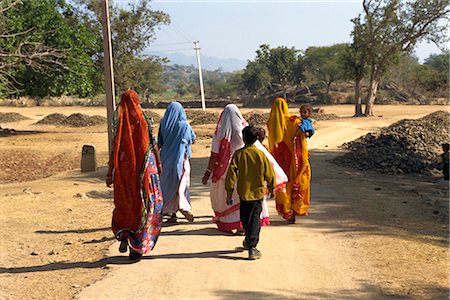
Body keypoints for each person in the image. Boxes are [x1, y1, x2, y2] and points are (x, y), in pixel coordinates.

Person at [106, 89, 163, 261]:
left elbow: (114, 148)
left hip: (124, 171)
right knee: (143, 204)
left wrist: (110, 172)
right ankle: (136, 248)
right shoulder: (144, 120)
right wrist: (158, 164)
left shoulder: (120, 122)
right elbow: (152, 143)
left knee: (126, 204)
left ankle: (125, 235)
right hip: (144, 170)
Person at [225, 125, 275, 260]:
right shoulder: (260, 154)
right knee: (254, 219)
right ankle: (252, 246)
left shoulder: (239, 154)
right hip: (257, 193)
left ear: (243, 138)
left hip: (244, 193)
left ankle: (249, 242)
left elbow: (231, 175)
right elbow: (269, 173)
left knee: (245, 219)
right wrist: (271, 187)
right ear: (257, 139)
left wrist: (229, 192)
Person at [202, 104, 248, 234]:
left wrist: (208, 172)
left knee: (225, 196)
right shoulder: (246, 130)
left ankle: (229, 223)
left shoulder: (220, 133)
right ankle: (242, 225)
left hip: (225, 169)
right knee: (241, 196)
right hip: (242, 167)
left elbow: (214, 155)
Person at [267, 97, 311, 224]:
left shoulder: (271, 122)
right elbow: (302, 142)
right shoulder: (294, 121)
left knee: (284, 183)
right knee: (299, 180)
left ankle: (287, 211)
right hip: (294, 158)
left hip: (280, 158)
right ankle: (295, 210)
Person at [158, 102, 196, 223]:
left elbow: (159, 143)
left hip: (165, 160)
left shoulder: (164, 124)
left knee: (166, 185)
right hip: (181, 159)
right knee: (182, 184)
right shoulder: (184, 125)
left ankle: (169, 212)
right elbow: (192, 139)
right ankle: (182, 206)